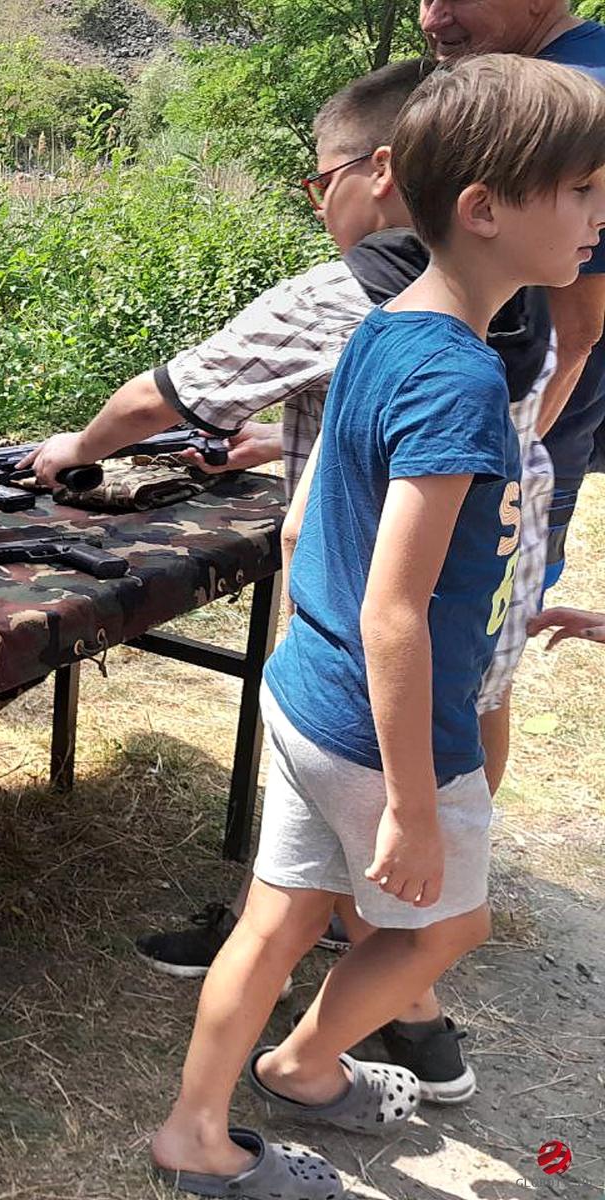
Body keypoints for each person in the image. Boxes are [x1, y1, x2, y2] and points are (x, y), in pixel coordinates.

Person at [25, 57, 556, 1102]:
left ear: (383, 171)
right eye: (581, 191)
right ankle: (367, 1024)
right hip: (467, 600)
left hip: (368, 653)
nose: (320, 206)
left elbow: (165, 400)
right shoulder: (509, 308)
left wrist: (74, 450)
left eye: (322, 181)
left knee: (364, 892)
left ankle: (365, 1023)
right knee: (425, 871)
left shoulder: (359, 306)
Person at [150, 54, 605, 1199]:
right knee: (446, 929)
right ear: (484, 208)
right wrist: (409, 801)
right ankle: (304, 1062)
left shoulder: (388, 327)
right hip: (387, 729)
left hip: (313, 693)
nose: (600, 216)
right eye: (583, 191)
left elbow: (322, 517)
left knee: (274, 924)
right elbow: (395, 609)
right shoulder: (458, 377)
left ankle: (199, 1130)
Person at [419, 0, 605, 590]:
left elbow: (577, 334)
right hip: (515, 444)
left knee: (470, 619)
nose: (431, 19)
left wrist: (496, 466)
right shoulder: (542, 75)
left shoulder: (572, 101)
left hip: (499, 456)